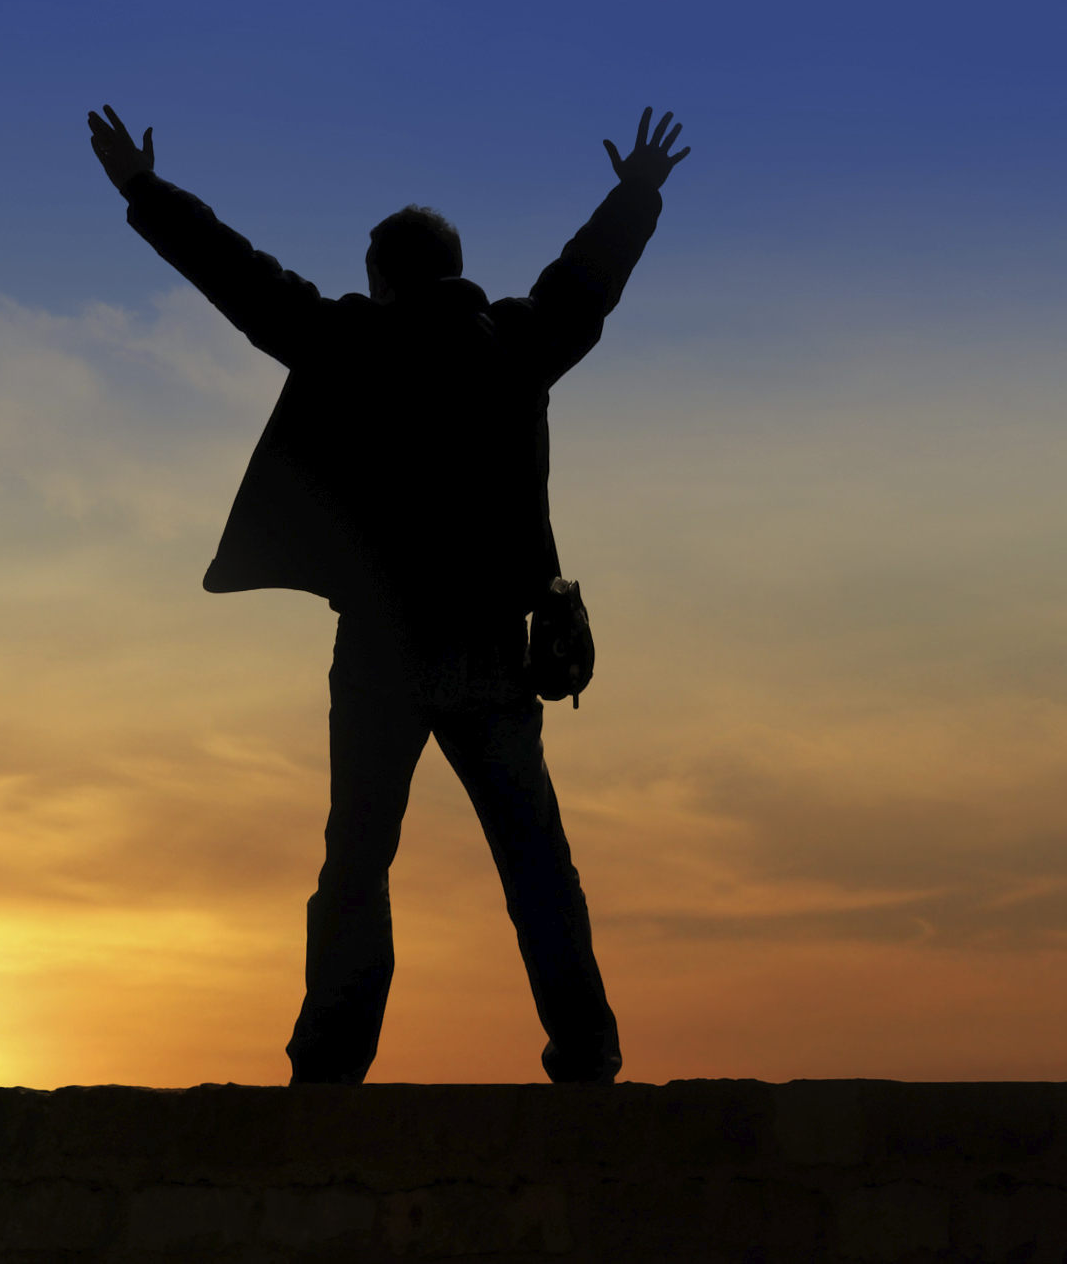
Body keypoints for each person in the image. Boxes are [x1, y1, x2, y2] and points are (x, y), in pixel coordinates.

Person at [85, 103, 688, 1086]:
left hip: (379, 646)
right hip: (489, 648)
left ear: (381, 276)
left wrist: (143, 191)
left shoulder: (349, 341)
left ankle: (330, 1064)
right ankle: (587, 1048)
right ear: (454, 270)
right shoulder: (516, 342)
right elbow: (587, 282)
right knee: (535, 860)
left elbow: (239, 277)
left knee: (357, 865)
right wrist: (636, 193)